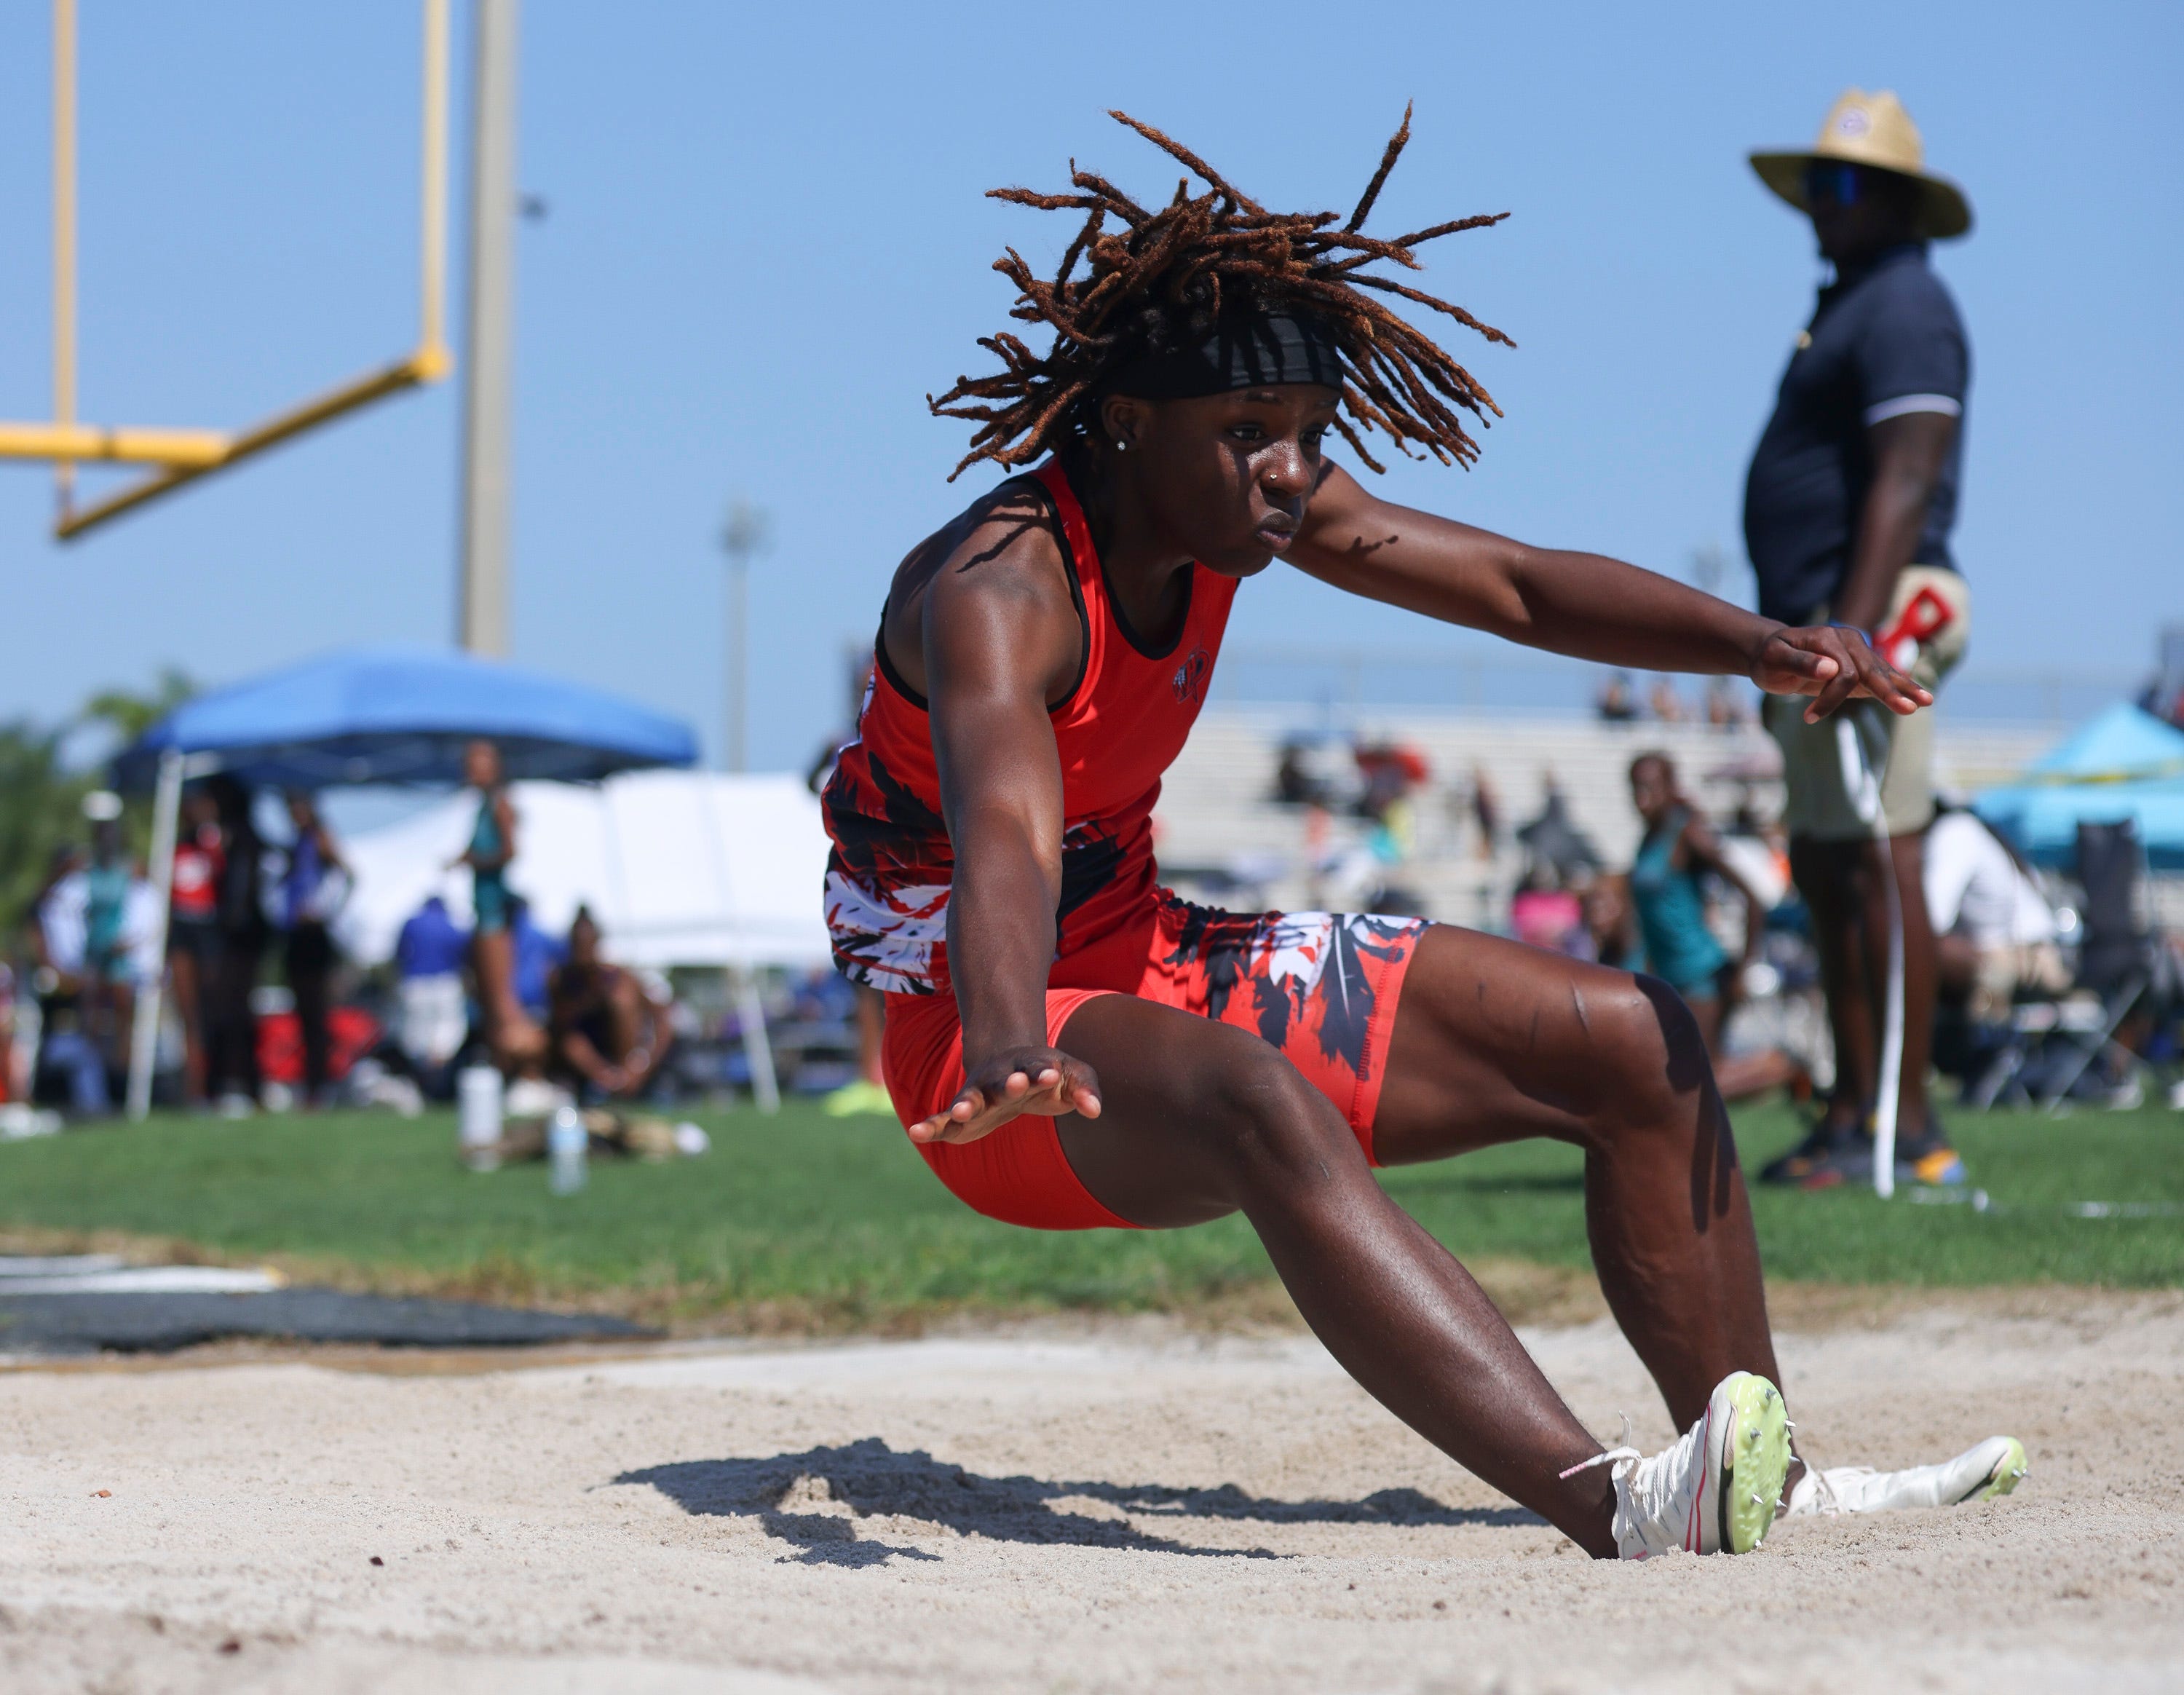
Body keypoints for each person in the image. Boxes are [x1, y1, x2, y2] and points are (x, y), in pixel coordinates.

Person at [820, 111, 2020, 1560]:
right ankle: (1613, 1503)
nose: (1287, 471)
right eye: (1247, 437)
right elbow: (1005, 834)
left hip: (1147, 959)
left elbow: (1512, 586)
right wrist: (1015, 1038)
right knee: (1267, 1102)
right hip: (982, 1045)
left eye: (1307, 438)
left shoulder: (1244, 513)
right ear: (1129, 418)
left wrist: (1759, 643)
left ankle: (1750, 1465)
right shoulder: (1003, 584)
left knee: (1637, 1041)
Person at [1742, 90, 1977, 1188]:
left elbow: (1908, 472)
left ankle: (1908, 1125)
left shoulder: (1907, 304)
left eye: (1844, 187)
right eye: (1817, 185)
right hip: (1825, 623)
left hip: (1871, 619)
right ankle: (1853, 1115)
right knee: (1837, 867)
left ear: (1894, 202)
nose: (1821, 208)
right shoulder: (1853, 303)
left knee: (1882, 859)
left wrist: (1853, 628)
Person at [1626, 753, 1808, 1104]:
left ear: (1670, 787)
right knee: (1677, 1081)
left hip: (1702, 974)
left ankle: (1784, 1066)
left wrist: (1745, 966)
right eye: (1635, 788)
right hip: (1667, 977)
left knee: (1695, 1087)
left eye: (1650, 787)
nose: (1641, 797)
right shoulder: (1647, 840)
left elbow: (1753, 897)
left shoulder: (1687, 833)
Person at [451, 740, 545, 1072]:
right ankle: (503, 1074)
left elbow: (509, 852)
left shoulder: (499, 804)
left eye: (479, 762)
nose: (471, 769)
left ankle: (532, 1073)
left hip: (495, 917)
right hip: (483, 915)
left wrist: (470, 860)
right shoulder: (482, 805)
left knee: (504, 1006)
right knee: (489, 1004)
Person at [547, 907, 670, 1101]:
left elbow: (663, 1021)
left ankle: (625, 1078)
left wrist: (643, 1066)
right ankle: (609, 1080)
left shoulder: (621, 978)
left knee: (622, 1002)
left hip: (626, 1054)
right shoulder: (563, 981)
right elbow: (562, 1032)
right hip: (591, 1057)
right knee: (571, 1040)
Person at [275, 792, 348, 1107]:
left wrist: (324, 910)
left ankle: (323, 1084)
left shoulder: (321, 838)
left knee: (317, 1014)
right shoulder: (295, 844)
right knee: (303, 1014)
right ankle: (311, 1083)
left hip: (314, 936)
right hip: (295, 936)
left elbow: (348, 875)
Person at [204, 775, 269, 1114]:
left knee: (233, 1011)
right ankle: (236, 1083)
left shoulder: (241, 838)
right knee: (230, 1011)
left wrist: (232, 921)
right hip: (240, 934)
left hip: (241, 937)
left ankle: (241, 1083)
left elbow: (242, 892)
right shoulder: (233, 839)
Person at [166, 785, 226, 1105]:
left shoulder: (215, 844)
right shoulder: (174, 848)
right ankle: (194, 1088)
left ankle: (217, 1083)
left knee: (211, 1010)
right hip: (184, 929)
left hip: (208, 929)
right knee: (188, 1013)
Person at [394, 891, 470, 1096]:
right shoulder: (451, 926)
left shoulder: (412, 923)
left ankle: (421, 1081)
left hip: (415, 984)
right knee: (446, 1034)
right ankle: (436, 1081)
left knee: (416, 1036)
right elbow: (463, 956)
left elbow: (399, 953)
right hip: (446, 984)